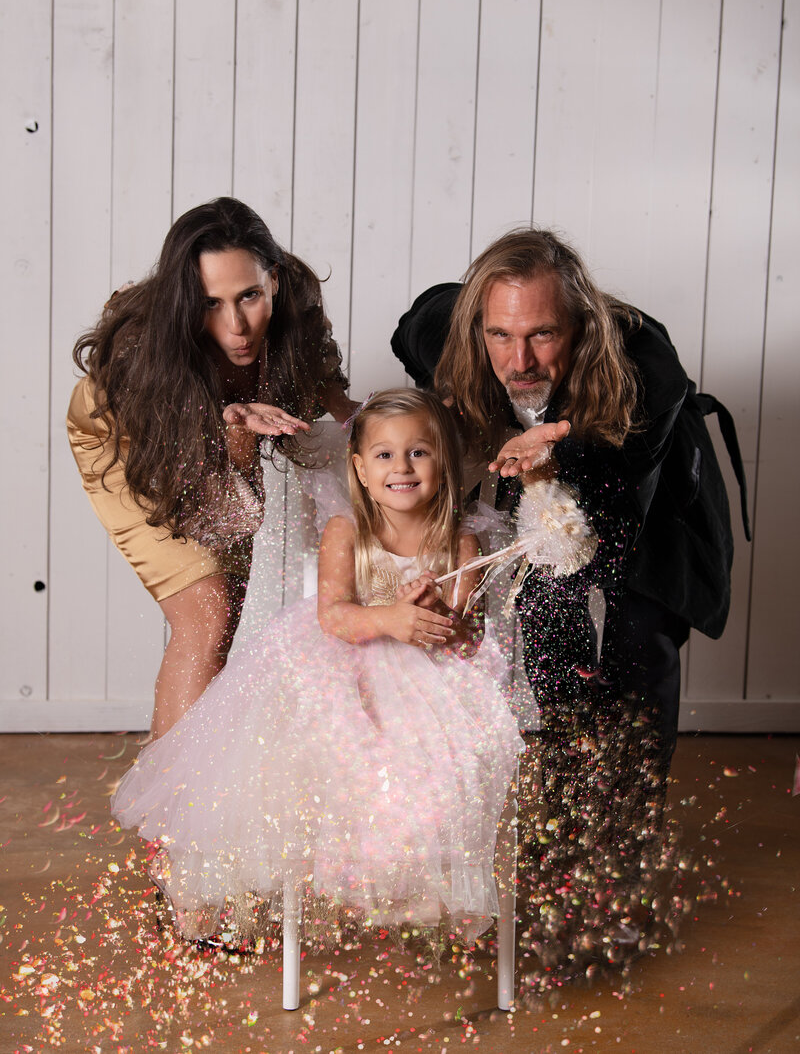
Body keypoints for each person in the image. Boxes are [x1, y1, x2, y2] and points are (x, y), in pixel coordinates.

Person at [391, 229, 747, 980]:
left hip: (647, 522)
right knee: (547, 683)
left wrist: (566, 446)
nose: (519, 361)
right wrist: (458, 388)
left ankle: (617, 891)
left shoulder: (644, 362)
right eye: (501, 335)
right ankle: (550, 888)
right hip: (546, 527)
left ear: (579, 324)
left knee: (635, 677)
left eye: (542, 335)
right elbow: (417, 321)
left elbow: (628, 467)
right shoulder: (455, 332)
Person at [111, 389, 524, 945]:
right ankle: (326, 875)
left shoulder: (459, 540)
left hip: (428, 675)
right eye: (384, 455)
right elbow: (335, 616)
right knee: (314, 742)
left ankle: (418, 879)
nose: (401, 468)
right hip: (347, 663)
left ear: (443, 462)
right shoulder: (346, 532)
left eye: (418, 453)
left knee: (456, 750)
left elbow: (468, 636)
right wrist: (391, 618)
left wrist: (437, 615)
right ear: (360, 466)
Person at [68, 197, 352, 739]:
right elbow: (178, 455)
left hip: (223, 435)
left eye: (249, 295)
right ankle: (164, 816)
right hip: (134, 438)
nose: (237, 325)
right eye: (210, 303)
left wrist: (345, 408)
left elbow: (318, 370)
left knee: (222, 624)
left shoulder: (298, 301)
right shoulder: (140, 350)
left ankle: (187, 792)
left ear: (275, 279)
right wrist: (226, 422)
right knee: (205, 612)